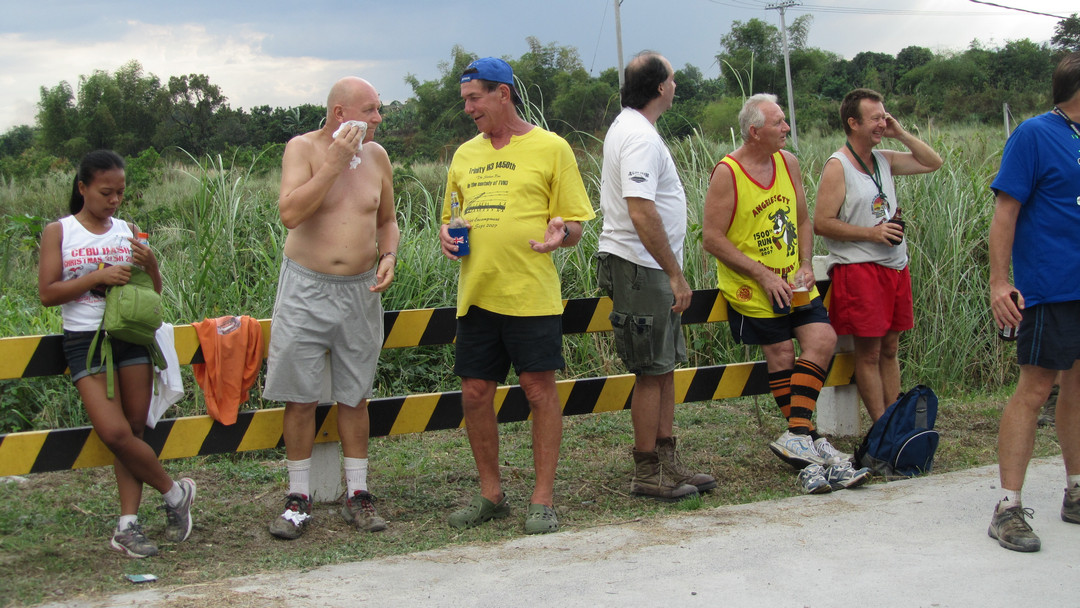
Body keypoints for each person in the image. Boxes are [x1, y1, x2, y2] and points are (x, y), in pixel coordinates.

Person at [440, 57, 595, 534]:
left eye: (475, 98)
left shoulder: (552, 147)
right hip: (477, 294)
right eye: (465, 100)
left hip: (530, 294)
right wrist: (446, 236)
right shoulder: (464, 155)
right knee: (474, 394)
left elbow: (575, 227)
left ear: (503, 93)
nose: (468, 108)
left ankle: (542, 499)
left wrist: (561, 233)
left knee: (538, 392)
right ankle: (491, 495)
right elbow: (451, 217)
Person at [702, 94, 869, 494]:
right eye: (778, 122)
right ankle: (811, 445)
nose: (786, 128)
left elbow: (803, 219)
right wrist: (762, 275)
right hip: (752, 285)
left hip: (793, 281)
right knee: (780, 354)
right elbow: (712, 238)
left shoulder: (788, 163)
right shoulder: (728, 172)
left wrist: (807, 263)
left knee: (823, 339)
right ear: (754, 131)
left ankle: (798, 436)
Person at [38, 150, 196, 558]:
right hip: (84, 341)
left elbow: (151, 295)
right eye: (106, 192)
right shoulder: (60, 231)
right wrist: (99, 277)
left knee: (134, 431)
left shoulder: (129, 231)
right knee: (115, 434)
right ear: (82, 188)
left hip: (131, 337)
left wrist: (153, 265)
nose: (114, 200)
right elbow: (47, 293)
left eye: (120, 193)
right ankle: (175, 493)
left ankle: (127, 525)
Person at [264, 77, 400, 539]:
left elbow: (387, 220)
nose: (378, 118)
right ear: (340, 113)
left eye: (379, 109)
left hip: (361, 289)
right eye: (370, 109)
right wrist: (334, 163)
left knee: (354, 394)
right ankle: (297, 499)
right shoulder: (301, 149)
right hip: (306, 287)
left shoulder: (378, 157)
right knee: (300, 396)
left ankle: (358, 494)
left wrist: (389, 255)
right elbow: (290, 214)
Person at [596, 51, 714, 501]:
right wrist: (675, 274)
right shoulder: (639, 136)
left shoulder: (633, 128)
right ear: (661, 86)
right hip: (642, 267)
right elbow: (641, 211)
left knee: (662, 366)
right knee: (650, 369)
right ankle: (647, 470)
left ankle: (666, 459)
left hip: (646, 266)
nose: (676, 85)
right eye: (673, 78)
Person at [986, 51, 1080, 553]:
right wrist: (1000, 283)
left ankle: (1076, 490)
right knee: (1035, 388)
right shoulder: (1034, 134)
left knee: (1078, 385)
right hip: (1050, 285)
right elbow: (1006, 212)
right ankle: (1008, 507)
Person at [814, 88, 942, 422]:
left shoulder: (884, 159)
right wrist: (872, 233)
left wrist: (901, 134)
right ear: (852, 122)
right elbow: (822, 223)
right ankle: (881, 428)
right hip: (859, 268)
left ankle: (894, 422)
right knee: (869, 353)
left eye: (884, 117)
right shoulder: (839, 165)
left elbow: (933, 162)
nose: (882, 124)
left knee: (891, 348)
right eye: (875, 119)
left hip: (895, 265)